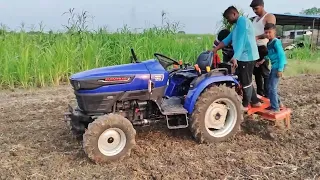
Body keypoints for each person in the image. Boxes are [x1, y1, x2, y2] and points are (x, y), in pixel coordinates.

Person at [213, 6, 261, 111]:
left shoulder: (243, 21)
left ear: (234, 14)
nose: (228, 20)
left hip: (247, 56)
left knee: (245, 81)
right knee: (244, 78)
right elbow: (227, 40)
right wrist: (215, 49)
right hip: (243, 56)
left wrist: (235, 57)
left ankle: (245, 104)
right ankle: (255, 101)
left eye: (228, 17)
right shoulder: (236, 26)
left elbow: (241, 41)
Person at [250, 0, 276, 98]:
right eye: (253, 9)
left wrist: (257, 37)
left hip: (263, 47)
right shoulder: (255, 19)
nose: (254, 11)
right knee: (256, 72)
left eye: (256, 8)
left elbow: (270, 31)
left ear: (262, 6)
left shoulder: (269, 17)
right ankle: (260, 93)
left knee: (265, 72)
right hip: (254, 48)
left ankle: (268, 94)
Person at [264, 23, 287, 113]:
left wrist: (280, 69)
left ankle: (275, 108)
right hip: (274, 66)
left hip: (278, 66)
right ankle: (278, 104)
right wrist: (262, 60)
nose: (268, 34)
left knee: (272, 87)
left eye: (270, 32)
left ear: (274, 32)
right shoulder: (269, 43)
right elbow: (269, 55)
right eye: (266, 32)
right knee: (269, 86)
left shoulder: (276, 41)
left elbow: (281, 55)